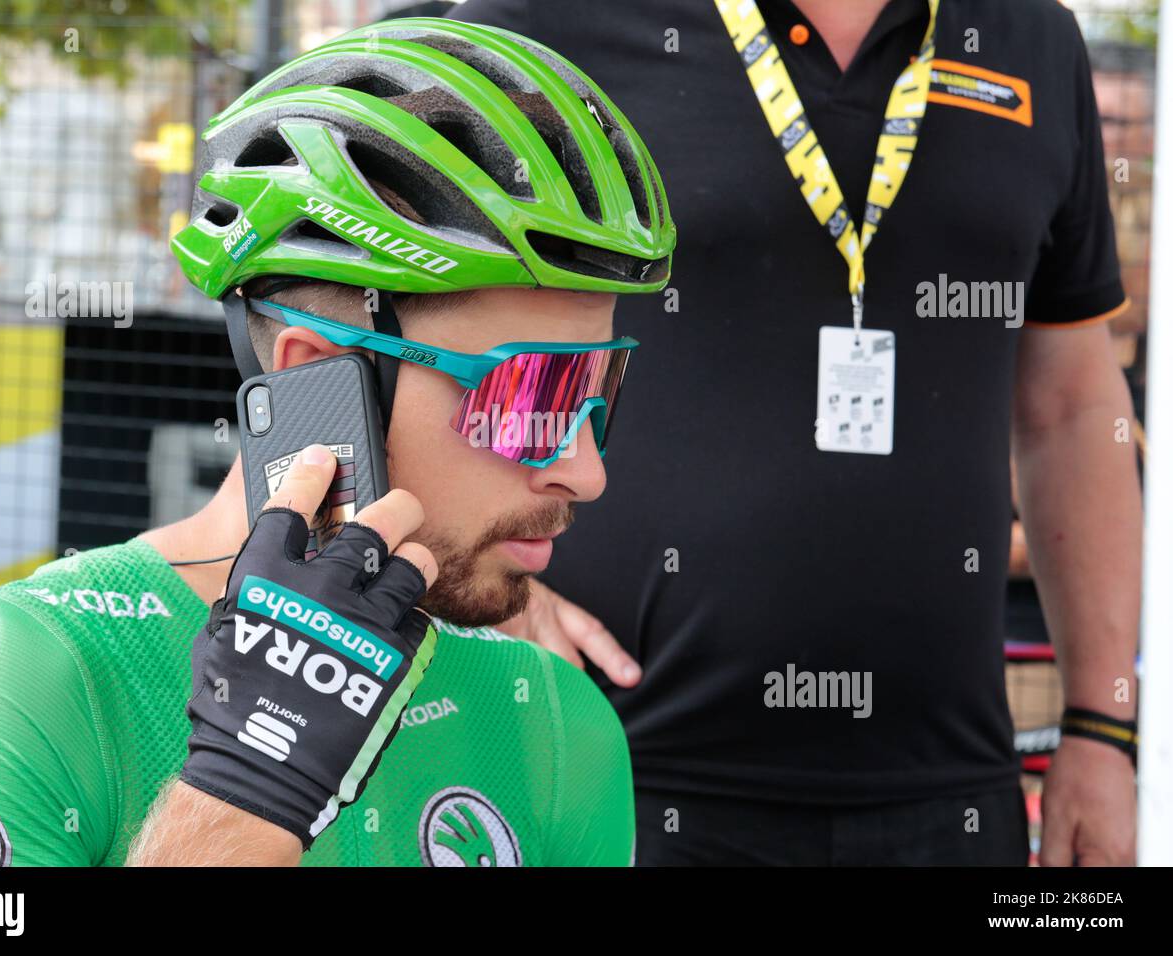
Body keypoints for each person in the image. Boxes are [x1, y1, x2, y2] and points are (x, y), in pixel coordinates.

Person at [0, 17, 676, 867]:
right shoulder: (5, 679)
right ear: (319, 375)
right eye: (534, 397)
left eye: (596, 394)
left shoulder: (552, 713)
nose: (585, 473)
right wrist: (248, 783)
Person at [456, 0, 1142, 865]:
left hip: (948, 795)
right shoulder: (553, 19)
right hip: (614, 770)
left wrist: (1100, 729)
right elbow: (362, 320)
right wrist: (482, 596)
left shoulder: (1030, 36)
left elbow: (1074, 409)